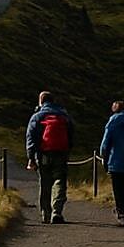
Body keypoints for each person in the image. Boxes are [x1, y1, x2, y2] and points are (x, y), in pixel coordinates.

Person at [25, 91, 74, 224]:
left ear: (41, 101)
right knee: (60, 181)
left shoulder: (37, 116)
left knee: (45, 182)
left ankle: (45, 214)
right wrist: (68, 150)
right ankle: (56, 212)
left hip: (43, 154)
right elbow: (71, 134)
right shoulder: (63, 115)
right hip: (61, 153)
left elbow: (30, 138)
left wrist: (31, 157)